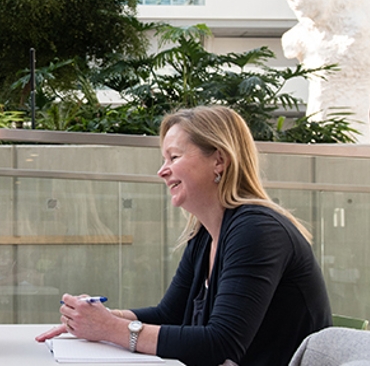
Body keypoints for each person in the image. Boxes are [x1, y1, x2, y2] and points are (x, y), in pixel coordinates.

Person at [36, 105, 331, 366]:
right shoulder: (205, 234)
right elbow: (170, 315)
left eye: (173, 157)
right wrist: (100, 318)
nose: (162, 171)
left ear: (219, 161)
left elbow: (220, 344)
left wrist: (109, 328)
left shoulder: (257, 230)